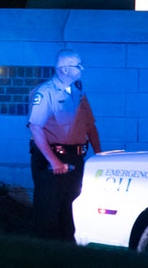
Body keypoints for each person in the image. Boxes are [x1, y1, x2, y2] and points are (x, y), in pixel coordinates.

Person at [27, 48, 101, 241]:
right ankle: (44, 256)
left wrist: (100, 154)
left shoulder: (78, 92)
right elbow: (36, 128)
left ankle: (68, 252)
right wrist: (54, 162)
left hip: (76, 157)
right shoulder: (45, 93)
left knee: (72, 207)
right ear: (65, 69)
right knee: (48, 211)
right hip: (52, 159)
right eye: (78, 65)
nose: (82, 68)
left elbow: (90, 126)